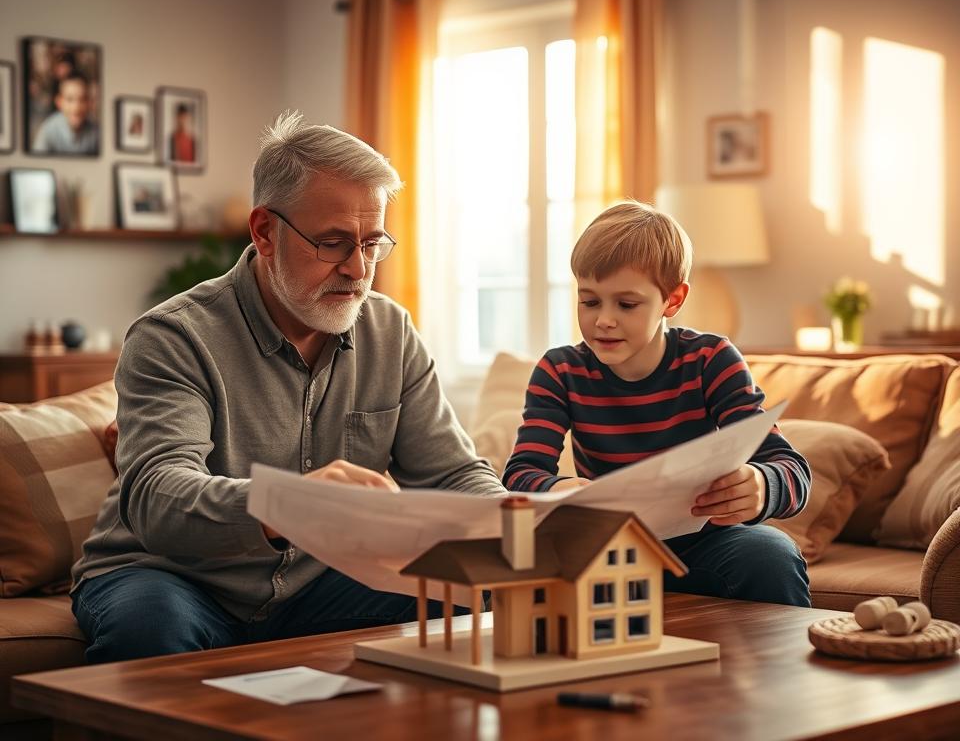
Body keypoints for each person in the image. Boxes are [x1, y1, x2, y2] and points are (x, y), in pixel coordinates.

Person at [71, 111, 506, 664]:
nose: (358, 269)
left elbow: (451, 474)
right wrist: (290, 504)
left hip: (316, 583)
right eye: (333, 243)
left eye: (372, 243)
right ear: (264, 231)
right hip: (167, 577)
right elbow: (159, 498)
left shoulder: (390, 331)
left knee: (466, 595)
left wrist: (524, 526)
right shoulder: (173, 337)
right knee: (150, 631)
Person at [503, 200, 812, 606]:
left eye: (626, 304)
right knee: (519, 558)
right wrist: (563, 490)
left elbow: (792, 471)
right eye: (590, 301)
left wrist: (759, 485)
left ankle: (783, 669)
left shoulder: (711, 360)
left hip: (702, 543)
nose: (604, 320)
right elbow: (521, 474)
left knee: (771, 553)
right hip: (605, 546)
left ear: (673, 300)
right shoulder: (560, 370)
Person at [31, 71, 99, 155]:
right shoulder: (48, 131)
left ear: (89, 102)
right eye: (70, 99)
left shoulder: (96, 131)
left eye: (83, 99)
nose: (76, 107)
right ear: (59, 102)